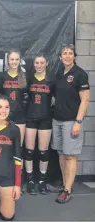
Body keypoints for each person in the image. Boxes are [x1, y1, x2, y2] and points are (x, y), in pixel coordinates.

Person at [51, 44, 90, 204]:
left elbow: (85, 100)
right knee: (61, 154)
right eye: (64, 54)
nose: (67, 56)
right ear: (60, 57)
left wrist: (78, 122)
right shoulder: (59, 73)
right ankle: (66, 184)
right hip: (57, 120)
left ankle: (67, 190)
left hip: (71, 121)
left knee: (71, 156)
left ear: (74, 56)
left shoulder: (80, 74)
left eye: (70, 53)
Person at [24, 53, 55, 195]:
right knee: (29, 150)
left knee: (43, 151)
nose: (39, 65)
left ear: (47, 63)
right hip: (30, 117)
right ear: (34, 64)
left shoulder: (51, 80)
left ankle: (42, 181)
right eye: (37, 63)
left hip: (45, 118)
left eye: (42, 62)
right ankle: (30, 180)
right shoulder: (29, 78)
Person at [0, 49, 27, 146]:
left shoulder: (24, 76)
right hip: (5, 115)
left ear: (20, 61)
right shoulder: (2, 76)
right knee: (5, 145)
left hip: (20, 115)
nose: (14, 62)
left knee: (18, 146)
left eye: (16, 59)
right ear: (7, 60)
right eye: (12, 59)